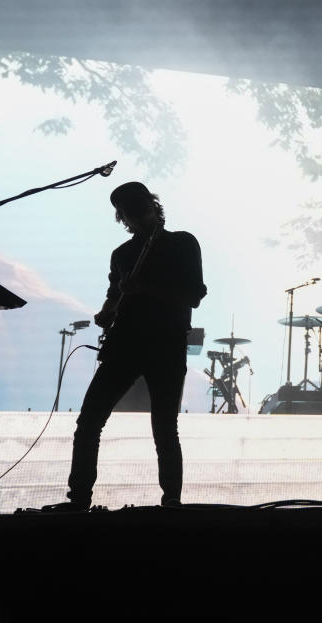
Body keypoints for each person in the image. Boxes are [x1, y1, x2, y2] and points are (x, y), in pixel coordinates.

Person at [55, 182, 206, 510]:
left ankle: (172, 503)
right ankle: (79, 500)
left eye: (136, 210)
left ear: (152, 205)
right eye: (127, 214)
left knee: (164, 427)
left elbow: (193, 294)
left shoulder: (182, 243)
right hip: (125, 344)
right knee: (89, 422)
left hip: (166, 345)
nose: (132, 219)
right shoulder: (122, 255)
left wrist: (145, 288)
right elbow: (115, 294)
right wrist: (107, 312)